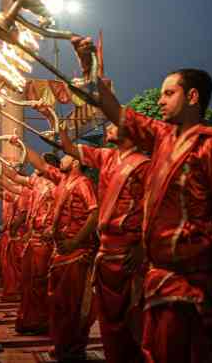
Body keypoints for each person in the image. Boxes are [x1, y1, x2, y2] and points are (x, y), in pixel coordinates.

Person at [72, 37, 212, 363]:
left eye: (169, 93)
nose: (161, 100)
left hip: (192, 276)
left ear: (192, 96)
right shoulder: (161, 137)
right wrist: (89, 66)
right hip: (159, 273)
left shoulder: (211, 143)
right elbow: (115, 111)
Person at [60, 123, 149, 363]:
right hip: (106, 251)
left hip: (128, 253)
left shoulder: (143, 165)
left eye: (114, 123)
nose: (108, 126)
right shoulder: (106, 157)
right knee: (109, 324)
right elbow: (68, 147)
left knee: (132, 322)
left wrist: (142, 245)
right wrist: (53, 121)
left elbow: (151, 208)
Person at [21, 142, 98, 361]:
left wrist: (74, 242)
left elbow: (95, 214)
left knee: (73, 305)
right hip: (60, 252)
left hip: (77, 252)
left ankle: (73, 349)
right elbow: (42, 165)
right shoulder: (64, 180)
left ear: (75, 162)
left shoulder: (83, 183)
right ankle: (63, 345)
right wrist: (21, 145)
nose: (61, 158)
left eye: (65, 156)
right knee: (58, 304)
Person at [5, 155, 58, 335]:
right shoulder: (36, 181)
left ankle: (43, 321)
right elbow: (13, 178)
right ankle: (28, 320)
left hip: (45, 242)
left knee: (40, 282)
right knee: (28, 283)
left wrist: (53, 229)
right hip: (32, 240)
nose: (34, 165)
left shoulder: (57, 184)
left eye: (39, 162)